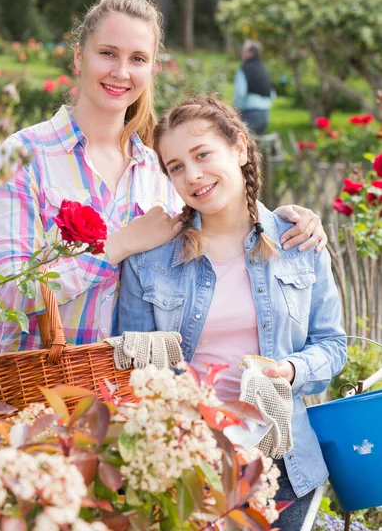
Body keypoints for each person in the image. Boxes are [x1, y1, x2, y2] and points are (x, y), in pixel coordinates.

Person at [0, 0, 326, 354]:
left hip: (129, 396)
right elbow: (9, 293)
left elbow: (222, 224)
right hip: (36, 389)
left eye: (137, 59)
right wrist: (119, 245)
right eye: (107, 53)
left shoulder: (159, 171)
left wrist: (289, 221)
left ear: (152, 69)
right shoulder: (27, 155)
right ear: (78, 56)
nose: (121, 72)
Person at [116, 95, 347, 531]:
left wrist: (290, 371)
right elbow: (130, 366)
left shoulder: (299, 244)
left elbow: (333, 347)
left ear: (239, 148)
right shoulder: (149, 260)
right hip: (188, 466)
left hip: (282, 465)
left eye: (203, 155)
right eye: (177, 166)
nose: (193, 175)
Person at [233, 39, 275, 136]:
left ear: (251, 53)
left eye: (243, 50)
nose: (241, 52)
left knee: (240, 143)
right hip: (265, 115)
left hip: (250, 115)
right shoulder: (263, 69)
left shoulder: (244, 69)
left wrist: (235, 110)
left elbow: (240, 93)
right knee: (255, 147)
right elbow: (272, 94)